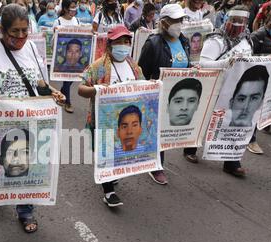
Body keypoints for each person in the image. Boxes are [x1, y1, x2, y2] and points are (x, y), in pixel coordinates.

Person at [0, 4, 65, 232]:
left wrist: (52, 91)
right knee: (0, 164)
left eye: (24, 31)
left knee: (25, 165)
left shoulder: (31, 47)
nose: (20, 37)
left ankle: (25, 210)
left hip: (30, 121)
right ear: (2, 29)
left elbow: (37, 82)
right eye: (15, 32)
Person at [78, 25, 143, 207]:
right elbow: (81, 89)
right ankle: (108, 192)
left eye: (126, 42)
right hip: (104, 120)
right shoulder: (99, 67)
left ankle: (110, 175)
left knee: (120, 151)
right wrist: (96, 89)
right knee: (105, 152)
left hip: (126, 121)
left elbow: (144, 86)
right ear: (109, 45)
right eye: (119, 42)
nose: (123, 46)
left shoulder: (134, 66)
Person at [138, 3, 191, 184]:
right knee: (158, 130)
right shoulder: (153, 43)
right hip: (158, 95)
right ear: (164, 22)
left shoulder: (184, 41)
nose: (178, 24)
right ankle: (156, 166)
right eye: (174, 20)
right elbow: (142, 73)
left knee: (168, 130)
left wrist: (193, 70)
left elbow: (185, 64)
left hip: (177, 95)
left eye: (180, 20)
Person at [198, 5, 253, 176]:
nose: (238, 25)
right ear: (227, 19)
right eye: (234, 21)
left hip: (236, 90)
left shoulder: (247, 40)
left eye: (242, 22)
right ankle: (191, 148)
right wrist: (225, 63)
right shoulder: (216, 40)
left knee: (232, 126)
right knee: (205, 120)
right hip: (216, 87)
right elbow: (203, 64)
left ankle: (231, 162)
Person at [248, 1, 271, 151]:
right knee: (256, 109)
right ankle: (251, 140)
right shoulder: (260, 35)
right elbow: (249, 58)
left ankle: (267, 122)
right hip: (262, 78)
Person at [53, 0, 81, 113]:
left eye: (75, 7)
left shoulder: (77, 21)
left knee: (72, 78)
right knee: (67, 80)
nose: (74, 9)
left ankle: (61, 93)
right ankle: (67, 102)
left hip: (75, 57)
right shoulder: (58, 22)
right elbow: (53, 42)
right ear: (65, 9)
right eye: (72, 7)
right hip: (63, 57)